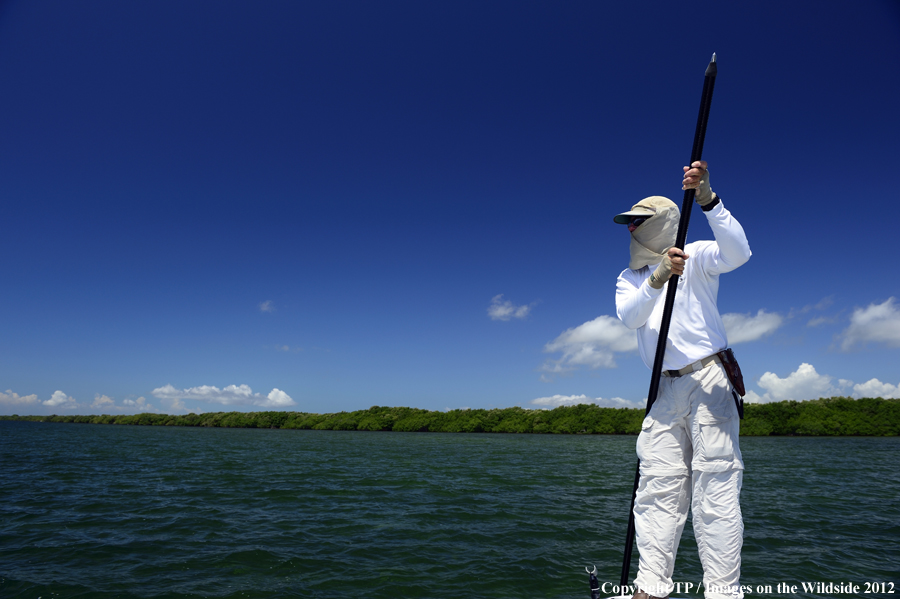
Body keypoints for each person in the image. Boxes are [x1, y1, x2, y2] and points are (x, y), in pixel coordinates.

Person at [614, 161, 751, 599]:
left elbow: (739, 253)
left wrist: (708, 199)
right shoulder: (629, 277)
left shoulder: (697, 254)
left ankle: (722, 592)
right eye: (629, 223)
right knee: (657, 489)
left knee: (715, 487)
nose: (631, 229)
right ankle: (651, 587)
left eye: (638, 222)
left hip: (709, 377)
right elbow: (630, 315)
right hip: (665, 388)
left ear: (660, 224)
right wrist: (658, 276)